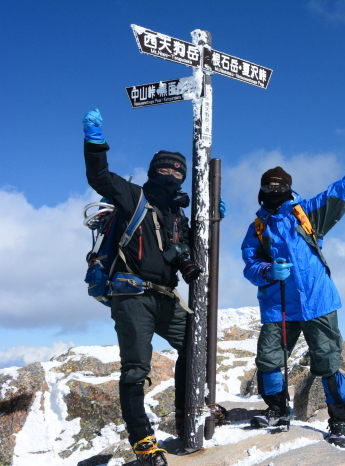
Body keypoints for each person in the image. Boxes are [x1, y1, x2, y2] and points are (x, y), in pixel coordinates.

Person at [241, 151, 345, 448]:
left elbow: (339, 191)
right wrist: (269, 270)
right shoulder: (257, 228)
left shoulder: (306, 212)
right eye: (269, 187)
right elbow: (250, 266)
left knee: (328, 361)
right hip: (279, 304)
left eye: (279, 186)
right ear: (261, 190)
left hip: (317, 301)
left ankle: (338, 422)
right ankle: (277, 410)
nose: (274, 191)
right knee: (270, 360)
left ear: (288, 188)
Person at [83, 109, 202, 466]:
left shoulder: (178, 216)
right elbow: (100, 177)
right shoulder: (133, 196)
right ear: (152, 172)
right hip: (132, 294)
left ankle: (187, 418)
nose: (171, 174)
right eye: (164, 169)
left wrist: (214, 218)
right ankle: (144, 444)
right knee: (136, 369)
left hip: (166, 297)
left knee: (194, 350)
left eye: (177, 170)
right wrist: (94, 141)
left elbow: (191, 249)